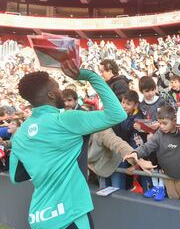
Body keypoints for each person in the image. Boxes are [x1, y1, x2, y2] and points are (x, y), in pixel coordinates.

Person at [9, 60, 128, 229]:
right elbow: (117, 114)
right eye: (57, 88)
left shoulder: (20, 133)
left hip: (40, 218)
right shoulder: (67, 119)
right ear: (50, 95)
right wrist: (89, 76)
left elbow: (16, 176)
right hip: (71, 215)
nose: (60, 92)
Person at [123, 105, 180, 201]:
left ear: (174, 121)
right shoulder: (159, 134)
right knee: (173, 200)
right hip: (167, 175)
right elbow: (147, 146)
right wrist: (136, 153)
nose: (161, 126)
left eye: (164, 123)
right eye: (159, 123)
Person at [135, 76, 166, 200]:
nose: (150, 93)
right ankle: (154, 186)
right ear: (142, 91)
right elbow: (140, 120)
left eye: (152, 90)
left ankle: (162, 186)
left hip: (162, 137)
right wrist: (139, 127)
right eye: (146, 91)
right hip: (149, 138)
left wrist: (160, 123)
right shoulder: (141, 105)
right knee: (152, 162)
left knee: (161, 162)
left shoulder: (162, 101)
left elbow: (169, 116)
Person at [112, 90, 149, 193]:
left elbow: (133, 136)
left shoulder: (137, 120)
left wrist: (135, 162)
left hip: (133, 154)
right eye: (123, 102)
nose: (124, 106)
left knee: (144, 181)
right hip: (124, 152)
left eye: (128, 104)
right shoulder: (123, 115)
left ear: (136, 105)